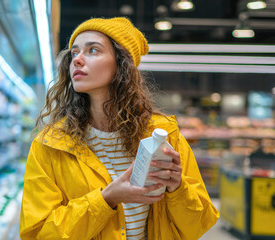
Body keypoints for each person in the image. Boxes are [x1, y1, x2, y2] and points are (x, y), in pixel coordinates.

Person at [20, 17, 219, 240]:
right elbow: (38, 235)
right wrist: (106, 199)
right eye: (74, 53)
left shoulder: (164, 135)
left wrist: (177, 189)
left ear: (122, 64)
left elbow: (199, 224)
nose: (77, 60)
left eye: (93, 50)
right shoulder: (51, 144)